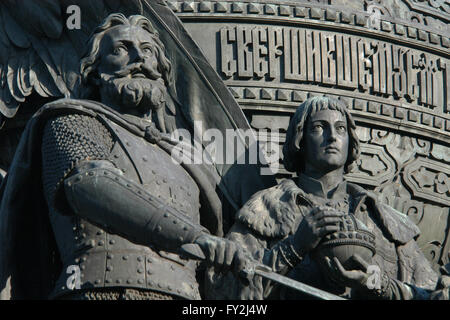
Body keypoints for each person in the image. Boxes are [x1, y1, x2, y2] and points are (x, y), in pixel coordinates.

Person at [0, 13, 247, 300]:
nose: (139, 59)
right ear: (95, 71)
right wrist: (193, 236)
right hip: (98, 290)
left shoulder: (187, 159)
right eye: (120, 50)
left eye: (148, 51)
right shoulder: (71, 122)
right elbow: (90, 185)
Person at [205, 96, 440, 300]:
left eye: (340, 129)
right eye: (319, 127)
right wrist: (294, 248)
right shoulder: (266, 209)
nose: (332, 137)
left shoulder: (385, 221)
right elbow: (222, 292)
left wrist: (374, 283)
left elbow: (429, 294)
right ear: (300, 139)